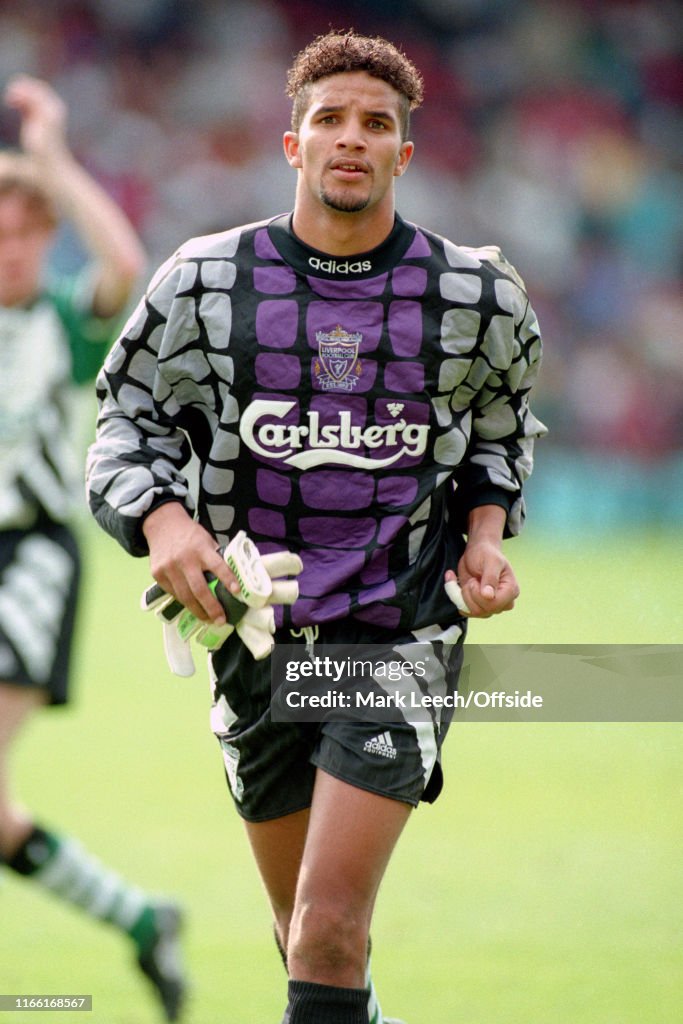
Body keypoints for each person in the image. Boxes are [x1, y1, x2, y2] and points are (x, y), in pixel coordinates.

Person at [86, 30, 546, 1024]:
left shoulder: (474, 295)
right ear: (291, 146)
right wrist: (165, 523)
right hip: (250, 639)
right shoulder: (204, 282)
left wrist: (480, 536)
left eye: (374, 124)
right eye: (327, 120)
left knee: (331, 925)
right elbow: (124, 423)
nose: (351, 139)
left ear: (403, 154)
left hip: (396, 631)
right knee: (305, 936)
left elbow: (501, 434)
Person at [0, 75, 186, 1021]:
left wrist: (54, 162)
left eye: (27, 230)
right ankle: (143, 922)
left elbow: (127, 263)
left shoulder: (63, 325)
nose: (12, 247)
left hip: (26, 563)